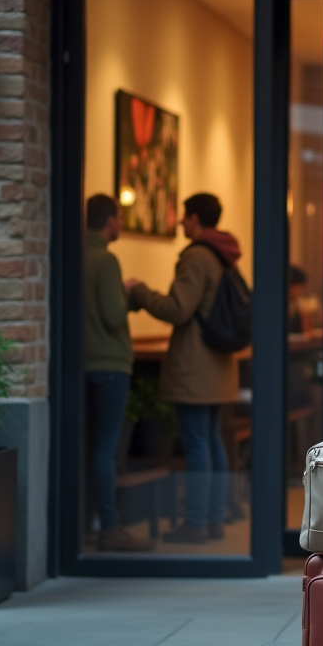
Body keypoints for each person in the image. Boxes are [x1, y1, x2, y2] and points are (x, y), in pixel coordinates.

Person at [127, 192, 242, 545]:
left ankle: (197, 523)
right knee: (212, 442)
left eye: (184, 217)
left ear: (194, 219)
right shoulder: (226, 256)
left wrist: (140, 291)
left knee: (196, 444)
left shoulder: (196, 256)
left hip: (196, 366)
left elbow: (178, 308)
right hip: (219, 365)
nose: (180, 223)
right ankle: (214, 519)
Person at [83, 194, 155, 552]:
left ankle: (82, 524)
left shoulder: (73, 254)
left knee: (84, 445)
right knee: (106, 448)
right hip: (110, 364)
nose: (121, 224)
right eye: (120, 218)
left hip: (80, 364)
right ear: (110, 220)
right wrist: (128, 295)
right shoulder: (106, 259)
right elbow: (113, 316)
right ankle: (110, 528)